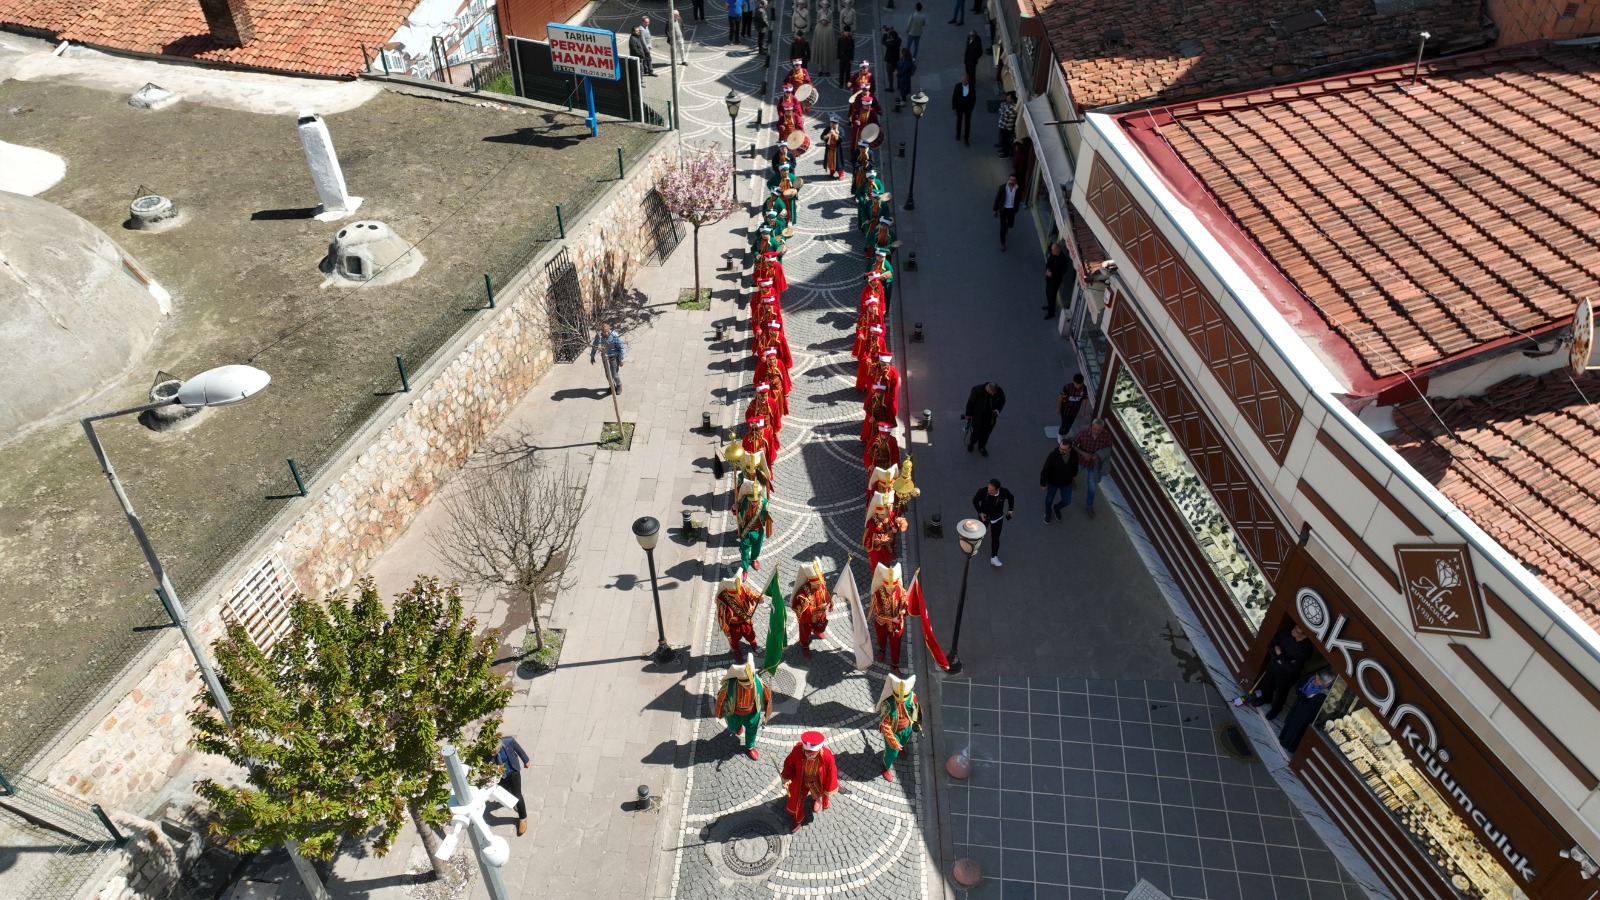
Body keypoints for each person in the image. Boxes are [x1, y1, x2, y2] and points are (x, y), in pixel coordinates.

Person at [1234, 623, 1314, 720]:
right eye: (1295, 627)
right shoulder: (1288, 633)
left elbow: (1292, 667)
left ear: (1304, 635)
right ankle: (1266, 698)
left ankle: (1276, 709)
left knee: (1281, 693)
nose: (1293, 630)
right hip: (1273, 666)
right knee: (1267, 684)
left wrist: (1279, 654)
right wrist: (1279, 659)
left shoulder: (1306, 649)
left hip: (1286, 675)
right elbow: (1271, 645)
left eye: (1296, 630)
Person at [715, 655, 773, 759]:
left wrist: (767, 716)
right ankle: (737, 727)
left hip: (752, 714)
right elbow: (720, 699)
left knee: (752, 731)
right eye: (747, 685)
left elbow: (768, 700)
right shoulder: (729, 686)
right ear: (739, 682)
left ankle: (749, 747)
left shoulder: (759, 683)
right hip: (734, 714)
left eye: (751, 683)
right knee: (732, 727)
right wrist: (718, 713)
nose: (751, 686)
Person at [781, 731, 839, 832]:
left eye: (811, 755)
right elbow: (789, 764)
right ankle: (798, 819)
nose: (808, 756)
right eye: (806, 753)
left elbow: (832, 772)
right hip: (801, 780)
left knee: (816, 793)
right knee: (796, 801)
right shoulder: (797, 751)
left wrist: (828, 788)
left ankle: (816, 799)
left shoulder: (827, 757)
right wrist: (786, 778)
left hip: (816, 781)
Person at [1063, 418, 1113, 516]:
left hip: (1094, 465)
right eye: (1095, 429)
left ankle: (1089, 505)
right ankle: (1072, 480)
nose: (1097, 432)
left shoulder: (1106, 436)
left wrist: (1098, 455)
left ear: (1102, 428)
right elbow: (1072, 444)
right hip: (1081, 460)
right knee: (1072, 473)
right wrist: (1083, 453)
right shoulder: (1083, 433)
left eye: (1099, 430)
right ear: (1092, 427)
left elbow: (1108, 449)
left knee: (1092, 487)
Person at [877, 674, 920, 781]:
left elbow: (916, 709)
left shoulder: (911, 696)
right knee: (892, 752)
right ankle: (885, 766)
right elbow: (885, 725)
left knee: (904, 742)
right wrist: (893, 741)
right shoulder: (887, 704)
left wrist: (918, 722)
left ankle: (901, 747)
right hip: (893, 732)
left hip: (907, 728)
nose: (901, 701)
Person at [1278, 670, 1335, 752]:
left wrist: (1301, 695)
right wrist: (1300, 691)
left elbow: (1309, 706)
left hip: (1304, 715)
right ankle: (1283, 737)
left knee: (1295, 729)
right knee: (1290, 723)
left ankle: (1288, 744)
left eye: (1319, 680)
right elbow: (1300, 683)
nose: (1316, 680)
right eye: (1317, 678)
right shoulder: (1312, 680)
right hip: (1299, 707)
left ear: (1325, 683)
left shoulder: (1322, 694)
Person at [868, 562, 909, 672]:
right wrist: (891, 619)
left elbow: (905, 601)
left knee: (896, 646)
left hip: (897, 625)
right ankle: (882, 650)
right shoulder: (877, 595)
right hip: (882, 624)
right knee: (881, 638)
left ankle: (894, 665)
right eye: (888, 587)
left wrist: (904, 609)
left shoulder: (900, 590)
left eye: (893, 587)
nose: (891, 590)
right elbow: (877, 614)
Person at [790, 559, 834, 658]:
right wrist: (819, 608)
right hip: (808, 618)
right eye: (818, 584)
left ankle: (817, 631)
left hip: (820, 613)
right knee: (805, 633)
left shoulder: (820, 585)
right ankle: (804, 646)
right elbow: (805, 611)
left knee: (822, 624)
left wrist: (830, 602)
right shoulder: (803, 594)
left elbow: (825, 592)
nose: (820, 585)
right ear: (811, 583)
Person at [716, 571, 764, 658]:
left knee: (750, 633)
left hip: (746, 620)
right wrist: (726, 630)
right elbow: (721, 615)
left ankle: (753, 643)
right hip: (733, 625)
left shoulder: (743, 589)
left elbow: (752, 595)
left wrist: (758, 598)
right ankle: (736, 651)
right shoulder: (722, 598)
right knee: (734, 640)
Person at [970, 478, 1015, 566]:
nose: (989, 491)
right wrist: (980, 512)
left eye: (992, 490)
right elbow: (975, 501)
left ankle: (994, 557)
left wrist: (1010, 510)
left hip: (997, 519)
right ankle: (974, 544)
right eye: (988, 488)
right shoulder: (983, 491)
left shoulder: (1003, 492)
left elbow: (1011, 497)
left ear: (997, 489)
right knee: (980, 532)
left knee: (995, 538)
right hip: (984, 517)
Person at [735, 477, 773, 571]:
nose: (755, 503)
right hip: (746, 531)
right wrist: (735, 507)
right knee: (745, 551)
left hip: (758, 531)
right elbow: (736, 509)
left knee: (757, 547)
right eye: (752, 501)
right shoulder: (744, 500)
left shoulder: (764, 502)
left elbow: (769, 516)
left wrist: (768, 513)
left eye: (756, 501)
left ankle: (754, 559)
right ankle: (745, 569)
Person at [496, 735, 531, 835]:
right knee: (507, 792)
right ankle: (514, 803)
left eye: (496, 751)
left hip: (513, 771)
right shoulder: (487, 752)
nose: (493, 753)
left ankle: (523, 818)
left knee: (517, 795)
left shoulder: (509, 741)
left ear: (500, 746)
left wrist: (526, 760)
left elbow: (520, 751)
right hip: (500, 776)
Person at [961, 381, 1006, 455]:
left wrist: (998, 410)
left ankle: (981, 447)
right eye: (991, 393)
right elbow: (970, 403)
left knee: (986, 435)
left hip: (990, 419)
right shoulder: (976, 390)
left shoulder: (999, 391)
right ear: (988, 388)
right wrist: (968, 414)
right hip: (978, 418)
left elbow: (1002, 400)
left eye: (993, 394)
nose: (992, 395)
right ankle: (971, 444)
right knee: (975, 434)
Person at [1039, 436, 1076, 523]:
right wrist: (1043, 484)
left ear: (1070, 449)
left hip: (1066, 483)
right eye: (1060, 448)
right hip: (1053, 482)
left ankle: (1056, 508)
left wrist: (1073, 475)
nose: (1061, 451)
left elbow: (1075, 466)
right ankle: (1048, 512)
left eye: (1064, 450)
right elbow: (1045, 470)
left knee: (1067, 501)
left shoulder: (1074, 455)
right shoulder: (1053, 455)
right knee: (1049, 500)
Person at [590, 322, 624, 393]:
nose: (605, 333)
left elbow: (621, 348)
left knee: (614, 374)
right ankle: (612, 385)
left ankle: (619, 385)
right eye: (603, 331)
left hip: (613, 356)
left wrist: (621, 360)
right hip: (605, 356)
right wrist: (592, 356)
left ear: (609, 328)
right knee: (607, 373)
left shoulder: (615, 336)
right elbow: (595, 345)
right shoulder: (599, 335)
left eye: (606, 331)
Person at [993, 173, 1020, 250]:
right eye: (1010, 179)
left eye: (1013, 180)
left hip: (1012, 210)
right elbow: (997, 198)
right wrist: (995, 209)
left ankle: (1007, 227)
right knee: (1002, 226)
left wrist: (1016, 209)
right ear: (1008, 179)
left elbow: (1018, 200)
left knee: (1011, 225)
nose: (1011, 181)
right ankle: (1002, 243)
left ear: (1016, 181)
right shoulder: (1002, 188)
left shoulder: (1018, 190)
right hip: (1003, 209)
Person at [1044, 240, 1070, 317]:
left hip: (1055, 281)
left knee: (1052, 295)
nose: (1052, 251)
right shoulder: (1053, 255)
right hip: (1049, 279)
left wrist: (1052, 274)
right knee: (1047, 293)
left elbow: (1063, 271)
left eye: (1054, 250)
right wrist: (1048, 269)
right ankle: (1049, 306)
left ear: (1058, 250)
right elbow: (1048, 263)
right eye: (1052, 250)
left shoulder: (1063, 259)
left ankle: (1051, 312)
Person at [951, 73, 976, 145]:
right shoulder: (958, 86)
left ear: (968, 81)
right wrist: (954, 108)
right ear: (961, 80)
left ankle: (966, 138)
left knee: (967, 123)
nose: (965, 82)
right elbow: (954, 97)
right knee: (959, 120)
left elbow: (974, 99)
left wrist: (971, 108)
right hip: (960, 107)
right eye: (963, 80)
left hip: (968, 108)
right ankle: (958, 134)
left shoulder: (971, 87)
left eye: (966, 80)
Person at [997, 90, 1018, 157]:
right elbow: (1000, 110)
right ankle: (1003, 149)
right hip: (1003, 124)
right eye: (1007, 98)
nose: (1007, 99)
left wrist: (1002, 109)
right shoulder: (1006, 104)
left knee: (1006, 140)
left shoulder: (1014, 106)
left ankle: (1006, 154)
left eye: (1009, 98)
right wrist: (1003, 109)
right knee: (1003, 139)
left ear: (1012, 98)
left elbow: (1005, 113)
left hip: (1007, 126)